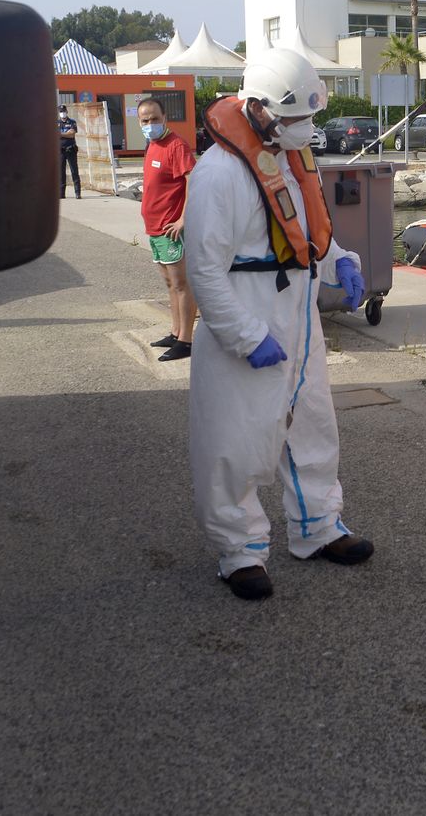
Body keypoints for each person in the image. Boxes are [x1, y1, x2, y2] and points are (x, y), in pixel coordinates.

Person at [184, 47, 373, 601]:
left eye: (308, 119)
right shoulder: (219, 174)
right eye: (293, 120)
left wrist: (340, 257)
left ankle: (318, 527)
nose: (303, 130)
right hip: (248, 316)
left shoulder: (289, 158)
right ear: (258, 109)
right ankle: (239, 550)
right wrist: (245, 335)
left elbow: (303, 227)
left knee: (313, 424)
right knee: (237, 440)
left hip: (299, 313)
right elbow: (205, 270)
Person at [138, 97, 197, 362]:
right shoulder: (153, 145)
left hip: (172, 227)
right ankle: (175, 332)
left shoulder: (176, 146)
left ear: (165, 119)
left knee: (182, 284)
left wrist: (184, 219)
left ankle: (186, 340)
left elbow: (192, 181)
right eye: (144, 121)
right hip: (155, 227)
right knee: (169, 283)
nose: (149, 124)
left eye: (154, 119)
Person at [59, 104, 81, 199]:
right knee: (61, 172)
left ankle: (77, 193)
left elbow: (72, 134)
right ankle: (61, 194)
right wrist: (66, 133)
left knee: (74, 171)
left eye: (63, 111)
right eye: (61, 112)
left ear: (67, 112)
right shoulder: (56, 122)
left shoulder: (72, 122)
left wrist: (60, 134)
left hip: (71, 149)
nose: (62, 113)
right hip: (60, 151)